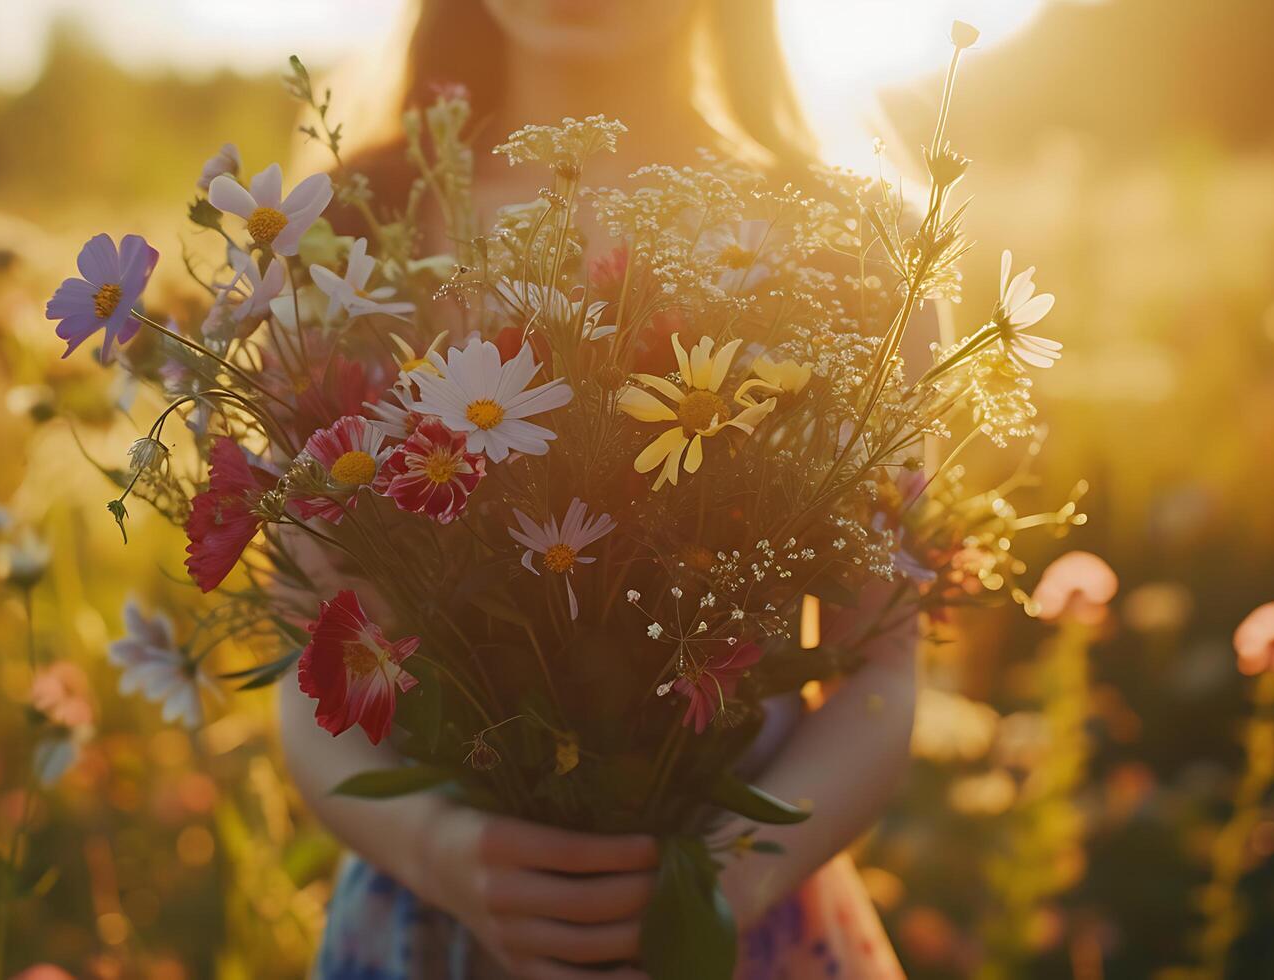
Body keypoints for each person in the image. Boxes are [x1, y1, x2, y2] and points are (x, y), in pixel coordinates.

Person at [278, 1, 918, 977]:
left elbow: (884, 670)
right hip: (439, 919)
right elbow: (308, 663)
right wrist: (441, 850)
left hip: (741, 924)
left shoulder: (860, 248)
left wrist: (711, 887)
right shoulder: (350, 236)